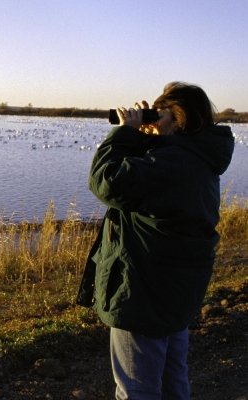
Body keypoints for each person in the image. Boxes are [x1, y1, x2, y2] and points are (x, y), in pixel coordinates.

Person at [76, 82, 235, 399]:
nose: (151, 121)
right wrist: (147, 136)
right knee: (172, 381)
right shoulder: (198, 159)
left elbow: (105, 181)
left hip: (144, 294)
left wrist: (126, 133)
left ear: (179, 119)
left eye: (158, 115)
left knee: (137, 389)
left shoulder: (172, 164)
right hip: (176, 292)